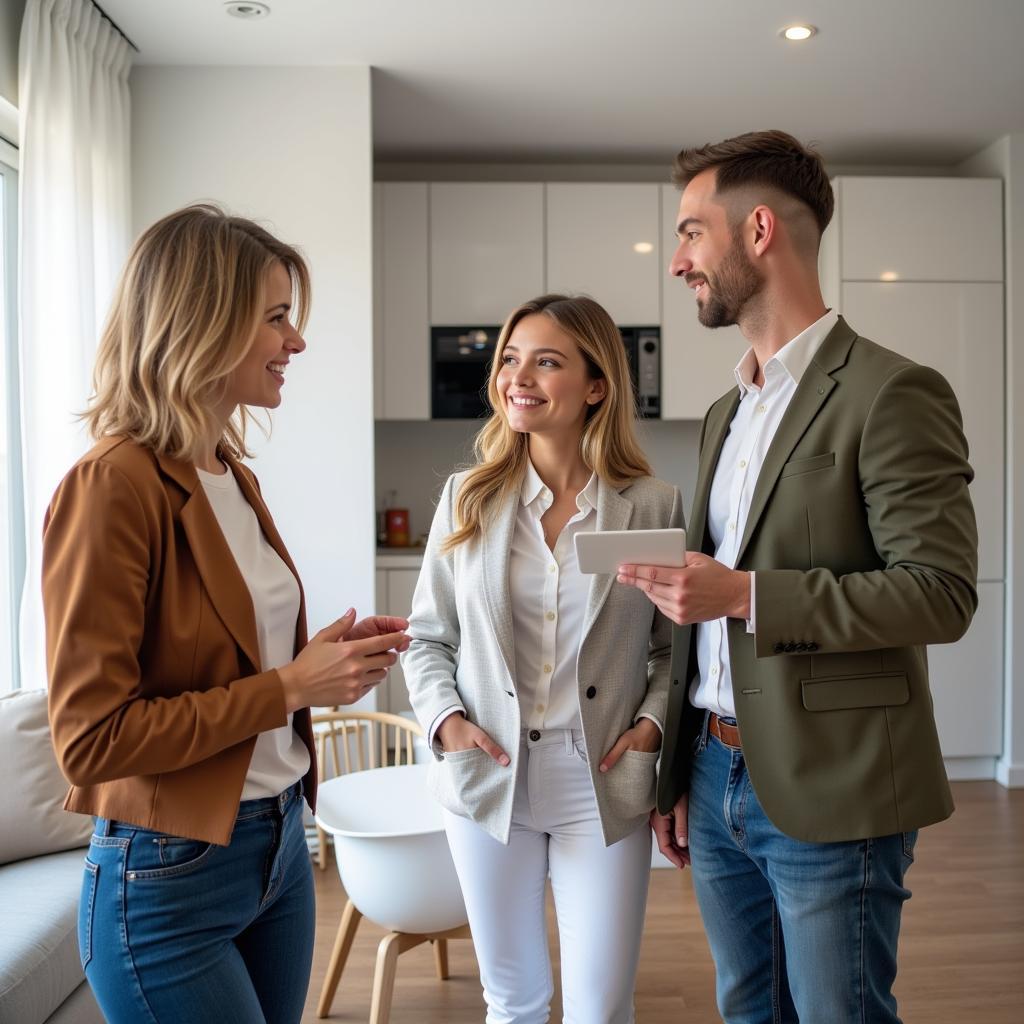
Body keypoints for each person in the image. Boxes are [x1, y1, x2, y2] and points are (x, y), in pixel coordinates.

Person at [617, 130, 978, 1024]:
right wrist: (676, 781)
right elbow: (697, 628)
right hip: (714, 773)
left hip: (835, 784)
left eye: (693, 233)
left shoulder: (893, 392)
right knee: (749, 1011)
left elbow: (939, 591)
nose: (678, 262)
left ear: (761, 230)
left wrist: (741, 594)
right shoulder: (722, 415)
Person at [43, 204, 409, 1024]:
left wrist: (317, 663)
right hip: (167, 875)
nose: (298, 341)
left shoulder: (228, 472)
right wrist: (286, 686)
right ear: (202, 323)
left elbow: (226, 665)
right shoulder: (112, 485)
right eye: (277, 317)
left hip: (277, 849)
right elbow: (91, 741)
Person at [403, 293, 682, 1023]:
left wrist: (651, 729)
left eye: (547, 361)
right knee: (514, 1002)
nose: (518, 377)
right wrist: (446, 723)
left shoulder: (652, 507)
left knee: (600, 1008)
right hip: (488, 774)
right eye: (510, 359)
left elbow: (670, 649)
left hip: (603, 779)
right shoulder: (466, 499)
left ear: (597, 386)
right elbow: (428, 635)